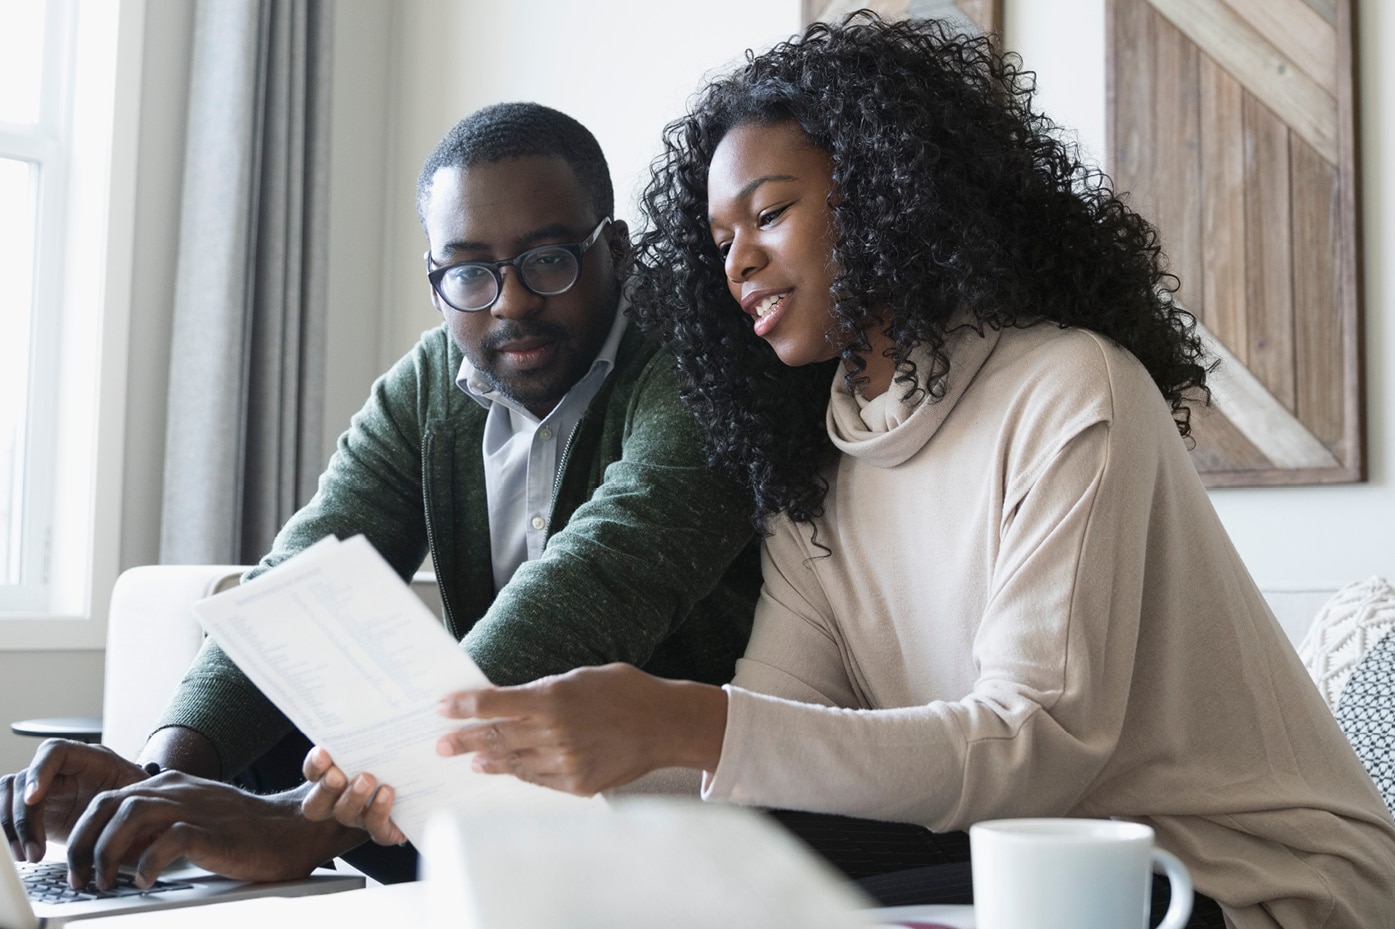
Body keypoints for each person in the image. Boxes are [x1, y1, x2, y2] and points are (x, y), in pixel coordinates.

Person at [304, 17, 1395, 929]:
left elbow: (1032, 748)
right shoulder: (819, 458)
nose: (734, 262)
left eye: (769, 214)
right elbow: (774, 740)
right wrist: (517, 759)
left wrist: (673, 717)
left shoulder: (1072, 389)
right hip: (1032, 875)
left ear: (883, 194)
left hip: (1246, 882)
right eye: (719, 234)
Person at [0, 102, 761, 890]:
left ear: (614, 250)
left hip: (676, 813)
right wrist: (157, 776)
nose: (509, 303)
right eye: (467, 272)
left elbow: (595, 585)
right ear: (434, 281)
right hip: (483, 798)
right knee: (291, 677)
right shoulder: (428, 385)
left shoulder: (701, 360)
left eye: (547, 260)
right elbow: (300, 574)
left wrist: (305, 819)